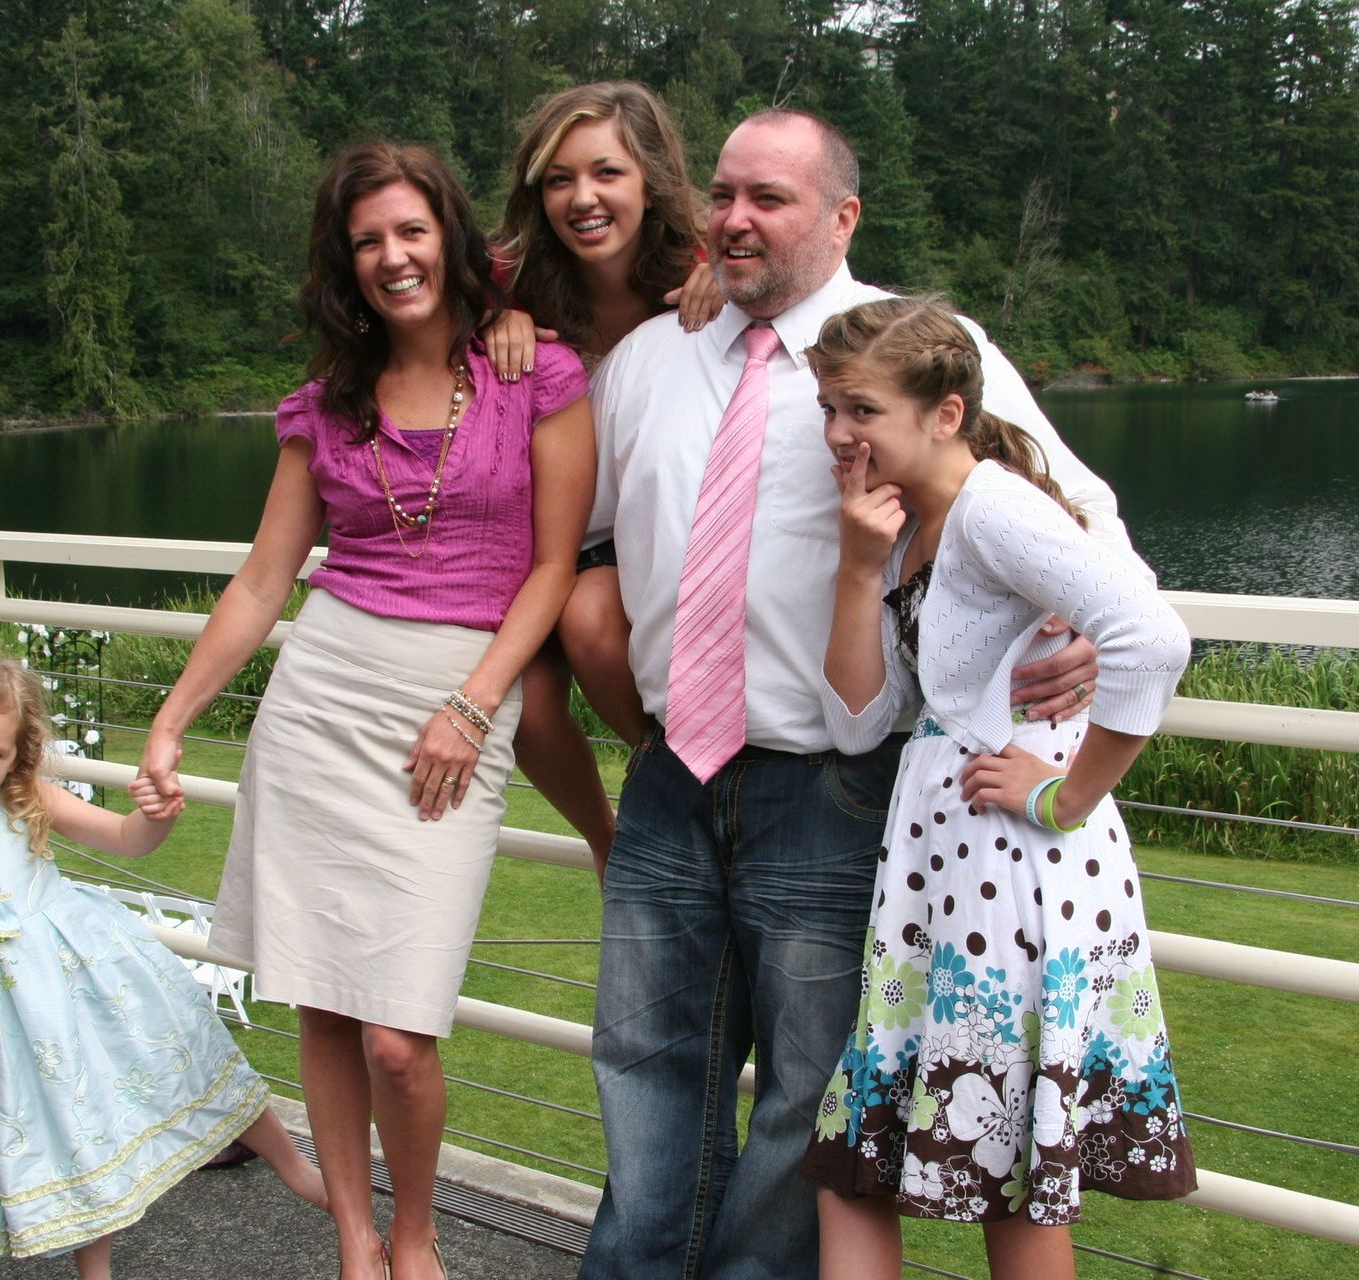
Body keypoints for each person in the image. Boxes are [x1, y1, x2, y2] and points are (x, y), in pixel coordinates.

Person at [580, 110, 1144, 1279]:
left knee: (809, 1096)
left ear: (842, 218)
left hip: (833, 787)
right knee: (643, 1068)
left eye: (770, 198)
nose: (736, 218)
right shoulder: (644, 362)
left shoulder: (917, 351)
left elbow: (1081, 513)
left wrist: (1089, 630)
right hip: (669, 779)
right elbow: (583, 543)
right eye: (723, 195)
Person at [138, 140, 593, 1280]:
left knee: (397, 1033)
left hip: (459, 705)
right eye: (367, 241)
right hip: (321, 700)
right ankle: (354, 1238)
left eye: (411, 231)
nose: (394, 257)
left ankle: (416, 1233)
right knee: (322, 999)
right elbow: (263, 581)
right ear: (345, 264)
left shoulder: (536, 375)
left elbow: (552, 568)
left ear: (449, 236)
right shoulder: (324, 404)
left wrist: (474, 705)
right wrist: (174, 717)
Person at [801, 298, 1195, 1280]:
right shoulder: (908, 524)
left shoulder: (992, 508)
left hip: (1013, 868)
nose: (840, 433)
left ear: (946, 413)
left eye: (862, 410)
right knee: (857, 1157)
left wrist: (1068, 794)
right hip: (945, 868)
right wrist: (859, 567)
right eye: (829, 409)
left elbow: (1153, 638)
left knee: (1006, 1170)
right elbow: (857, 721)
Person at [0, 652, 330, 1278]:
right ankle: (94, 1268)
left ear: (16, 756)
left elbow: (126, 840)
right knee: (67, 1125)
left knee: (189, 1058)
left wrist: (154, 818)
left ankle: (294, 1167)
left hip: (79, 980)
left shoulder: (23, 800)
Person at [483, 80, 723, 875]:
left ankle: (685, 793)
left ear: (650, 178)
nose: (582, 198)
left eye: (606, 172)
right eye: (559, 179)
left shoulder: (709, 265)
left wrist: (729, 280)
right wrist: (492, 319)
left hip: (659, 528)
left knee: (592, 620)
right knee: (528, 711)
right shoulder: (509, 280)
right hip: (542, 534)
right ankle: (610, 842)